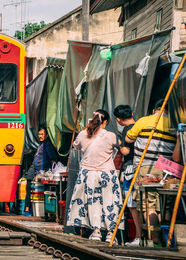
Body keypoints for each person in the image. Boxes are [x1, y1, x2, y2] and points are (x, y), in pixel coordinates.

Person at [66, 109, 123, 243]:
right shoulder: (111, 136)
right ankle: (110, 234)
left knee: (93, 202)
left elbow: (76, 147)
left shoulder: (83, 134)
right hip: (108, 174)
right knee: (110, 203)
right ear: (106, 122)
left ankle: (96, 232)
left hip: (89, 173)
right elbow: (121, 148)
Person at [126, 99, 176, 247]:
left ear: (155, 109)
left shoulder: (144, 121)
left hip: (147, 168)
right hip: (168, 169)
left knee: (149, 204)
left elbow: (129, 138)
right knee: (165, 205)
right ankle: (167, 239)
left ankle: (156, 240)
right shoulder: (173, 124)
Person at [113, 104, 140, 246]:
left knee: (132, 204)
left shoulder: (126, 130)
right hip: (142, 168)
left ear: (118, 119)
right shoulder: (139, 125)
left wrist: (118, 144)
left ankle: (138, 238)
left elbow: (126, 152)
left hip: (131, 169)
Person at [24, 126, 58, 215]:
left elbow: (53, 158)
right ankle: (27, 210)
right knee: (29, 190)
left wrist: (48, 172)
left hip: (42, 171)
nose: (40, 136)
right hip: (34, 171)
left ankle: (34, 211)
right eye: (39, 134)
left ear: (47, 135)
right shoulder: (41, 145)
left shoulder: (47, 145)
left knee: (38, 191)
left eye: (42, 134)